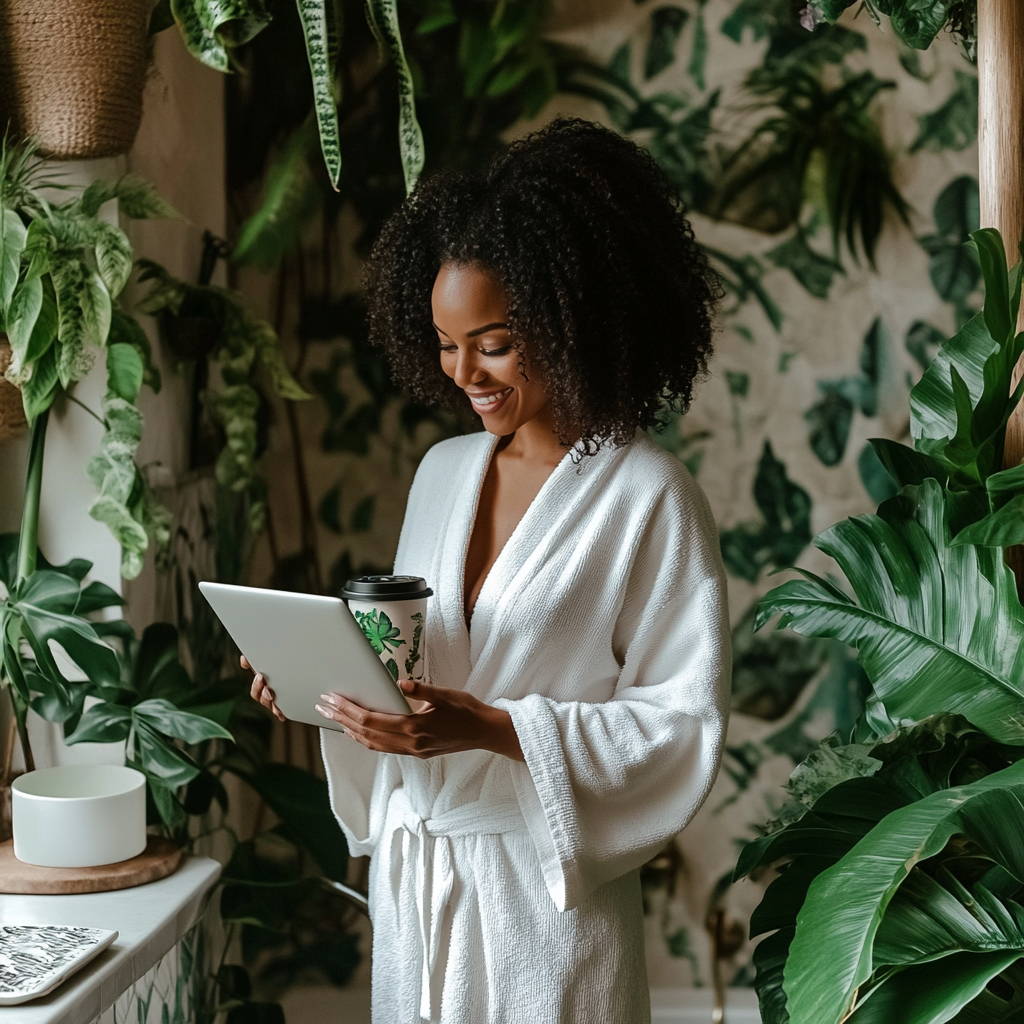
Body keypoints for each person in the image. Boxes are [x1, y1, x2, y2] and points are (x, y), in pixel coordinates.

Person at [248, 118, 731, 1024]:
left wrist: (497, 729)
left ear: (573, 317)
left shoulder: (649, 496)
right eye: (443, 341)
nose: (462, 372)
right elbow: (417, 677)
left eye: (495, 342)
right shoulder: (442, 475)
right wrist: (330, 689)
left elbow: (681, 725)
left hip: (544, 905)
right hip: (421, 884)